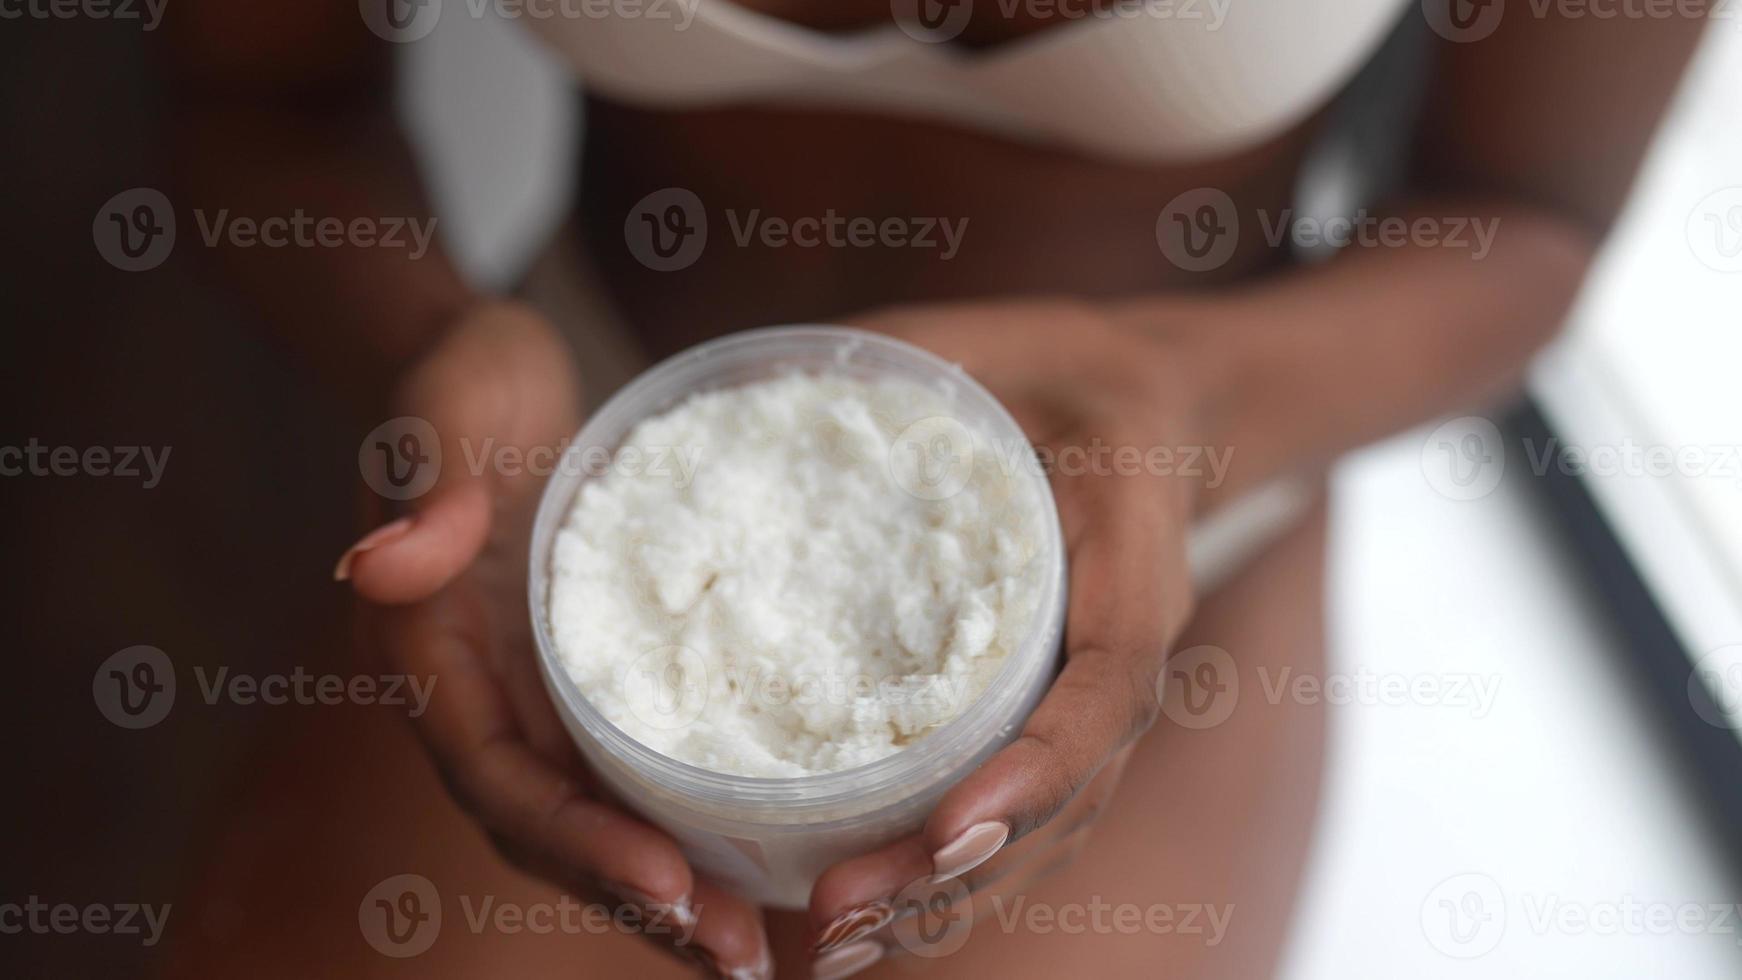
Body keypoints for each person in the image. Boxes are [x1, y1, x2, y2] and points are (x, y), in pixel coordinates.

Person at [160, 2, 1707, 977]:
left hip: (1185, 518)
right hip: (576, 474)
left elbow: (1525, 223)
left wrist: (1184, 401)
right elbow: (266, 106)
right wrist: (431, 350)